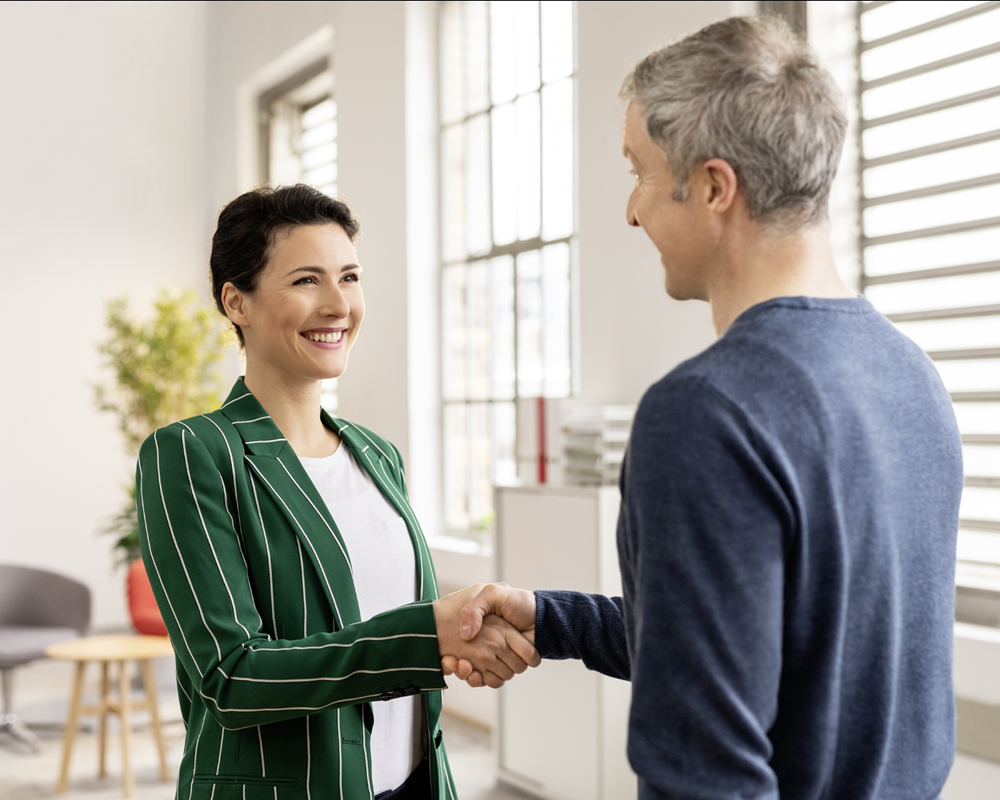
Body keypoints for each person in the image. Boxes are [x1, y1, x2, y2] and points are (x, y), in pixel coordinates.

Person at [445, 16, 963, 800]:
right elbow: (772, 649)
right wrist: (553, 620)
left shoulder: (703, 413)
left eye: (640, 172)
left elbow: (704, 774)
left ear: (715, 187)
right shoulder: (911, 377)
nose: (631, 211)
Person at [136, 185, 539, 800]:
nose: (338, 304)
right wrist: (427, 635)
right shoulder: (194, 454)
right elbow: (231, 679)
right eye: (305, 281)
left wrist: (462, 631)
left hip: (415, 781)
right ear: (236, 302)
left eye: (349, 277)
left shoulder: (377, 454)